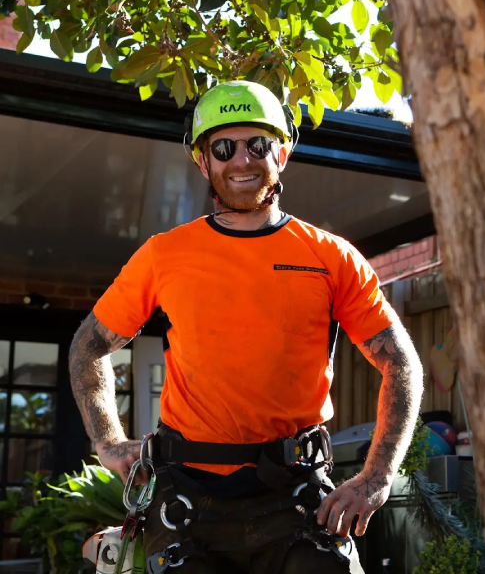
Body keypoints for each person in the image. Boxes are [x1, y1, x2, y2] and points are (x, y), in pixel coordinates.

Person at [68, 80, 424, 573]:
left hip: (296, 494)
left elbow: (400, 362)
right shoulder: (163, 255)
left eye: (258, 143)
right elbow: (89, 346)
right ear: (202, 160)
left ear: (282, 151)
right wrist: (107, 441)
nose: (242, 160)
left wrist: (377, 476)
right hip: (187, 496)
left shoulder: (331, 257)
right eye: (224, 147)